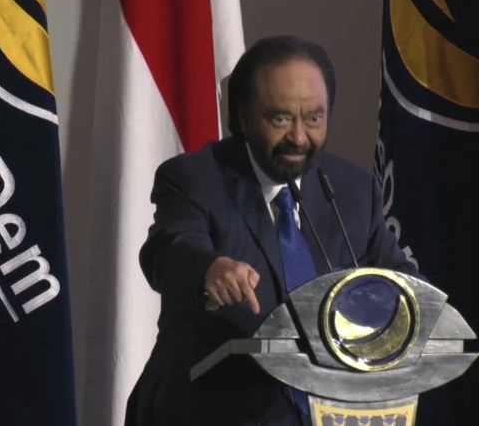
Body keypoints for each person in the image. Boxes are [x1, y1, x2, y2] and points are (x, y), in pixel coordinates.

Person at [125, 35, 417, 426]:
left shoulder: (351, 189)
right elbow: (168, 249)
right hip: (207, 411)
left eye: (313, 118)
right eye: (280, 118)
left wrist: (397, 306)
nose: (299, 136)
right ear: (243, 117)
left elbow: (400, 280)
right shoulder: (196, 178)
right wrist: (209, 268)